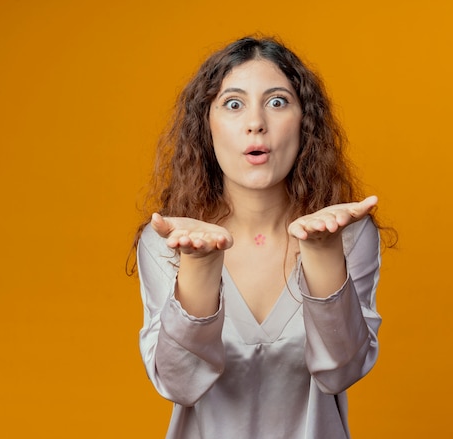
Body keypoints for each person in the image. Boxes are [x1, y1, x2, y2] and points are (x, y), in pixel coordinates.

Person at [130, 36, 388, 439]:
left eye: (277, 101)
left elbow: (341, 370)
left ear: (305, 121)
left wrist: (322, 252)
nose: (256, 123)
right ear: (206, 125)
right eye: (234, 104)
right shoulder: (168, 240)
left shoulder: (348, 235)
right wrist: (198, 267)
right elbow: (179, 384)